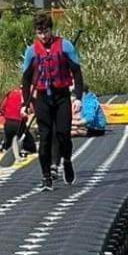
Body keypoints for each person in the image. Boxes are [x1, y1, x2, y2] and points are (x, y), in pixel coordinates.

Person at [21, 13, 84, 191]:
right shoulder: (31, 51)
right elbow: (26, 80)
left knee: (63, 134)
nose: (43, 36)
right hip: (42, 98)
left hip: (62, 96)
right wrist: (24, 105)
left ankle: (67, 160)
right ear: (36, 32)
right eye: (40, 32)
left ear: (51, 30)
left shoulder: (65, 46)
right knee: (46, 137)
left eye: (46, 31)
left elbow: (77, 73)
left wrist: (78, 97)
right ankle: (46, 176)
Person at [0, 85, 36, 157]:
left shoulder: (10, 93)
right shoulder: (28, 96)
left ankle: (6, 149)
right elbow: (33, 109)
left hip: (8, 123)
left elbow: (1, 108)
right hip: (19, 124)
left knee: (8, 145)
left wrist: (8, 114)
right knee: (31, 147)